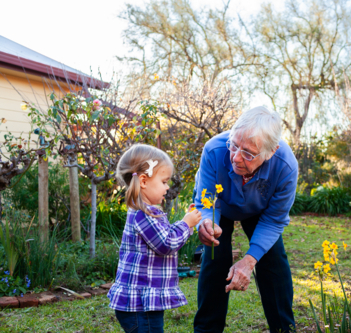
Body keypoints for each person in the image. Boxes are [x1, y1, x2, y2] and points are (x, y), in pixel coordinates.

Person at [193, 106, 298, 333]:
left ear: (271, 152)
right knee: (214, 258)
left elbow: (274, 219)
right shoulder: (214, 150)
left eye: (248, 153)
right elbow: (207, 200)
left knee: (272, 260)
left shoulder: (285, 166)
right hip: (220, 206)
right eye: (234, 145)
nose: (237, 158)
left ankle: (283, 329)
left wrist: (249, 261)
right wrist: (206, 222)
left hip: (259, 209)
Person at [108, 144, 202, 333]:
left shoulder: (146, 211)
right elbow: (167, 244)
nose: (167, 187)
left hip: (143, 302)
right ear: (143, 181)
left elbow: (164, 237)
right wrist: (187, 224)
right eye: (164, 181)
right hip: (140, 305)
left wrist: (184, 222)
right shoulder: (143, 214)